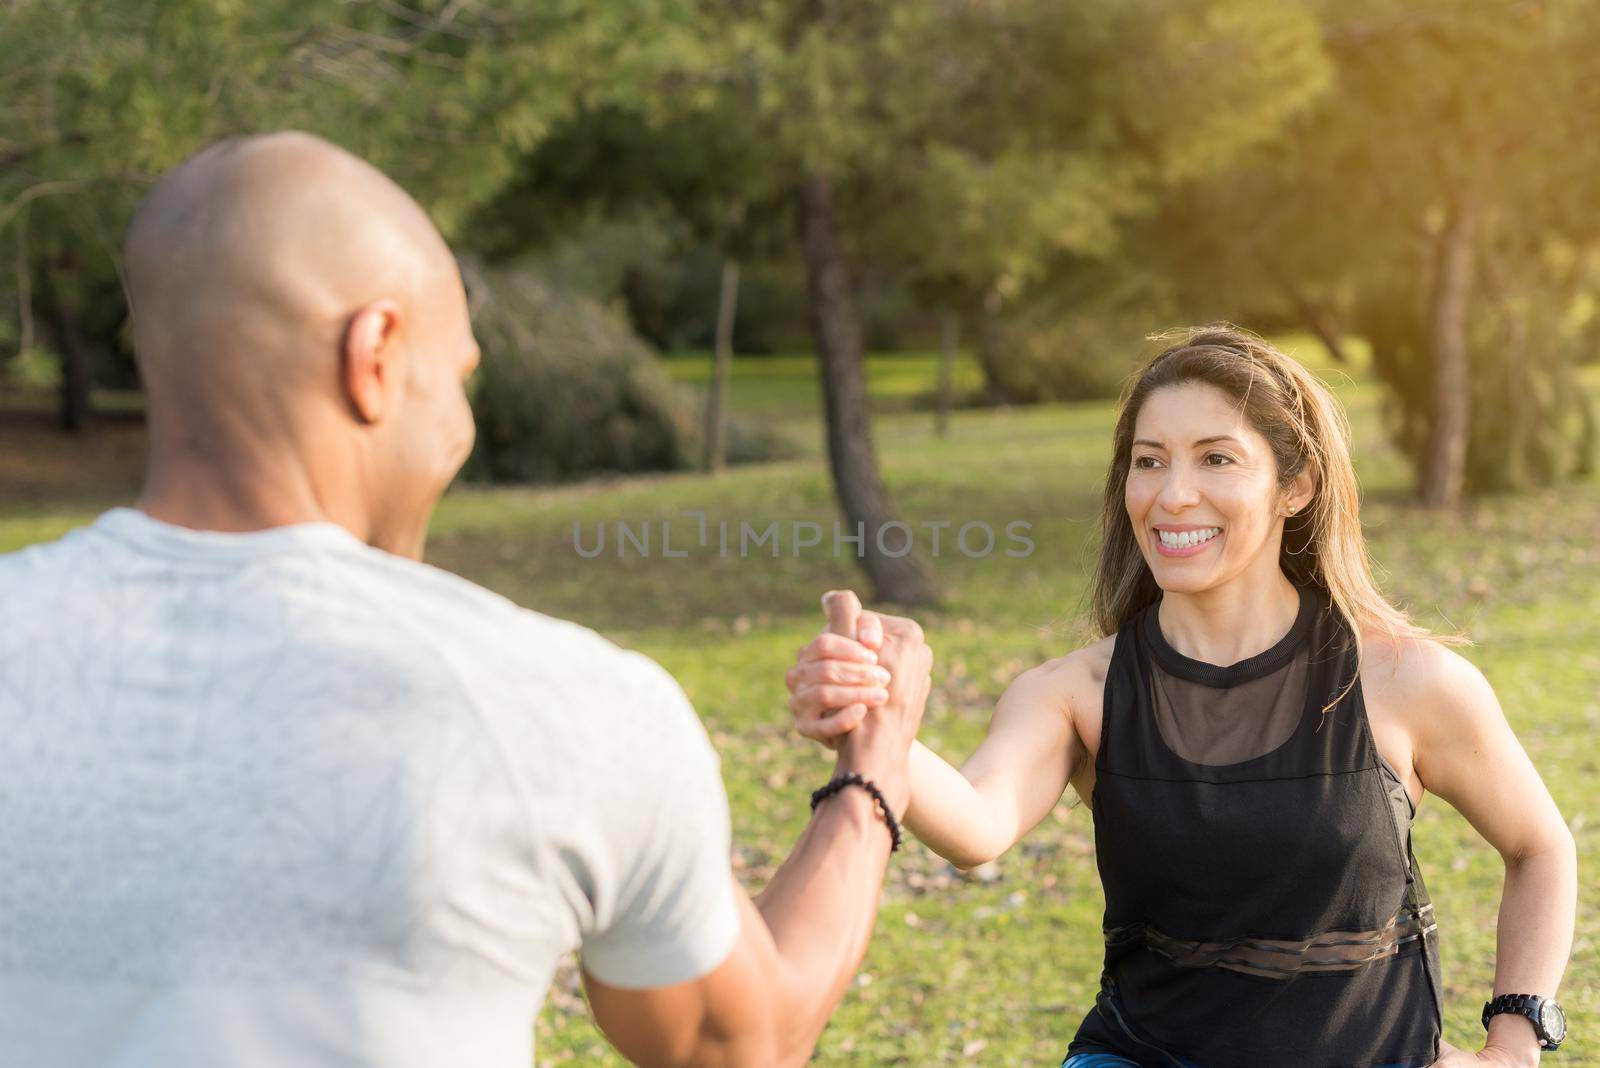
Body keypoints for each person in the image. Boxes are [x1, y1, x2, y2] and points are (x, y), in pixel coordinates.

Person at [0, 131, 934, 1068]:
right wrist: (873, 772)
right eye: (457, 377)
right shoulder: (563, 699)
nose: (461, 422)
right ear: (374, 355)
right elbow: (743, 1042)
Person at [787, 328, 1578, 1067]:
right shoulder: (1075, 693)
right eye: (1150, 460)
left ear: (1294, 486)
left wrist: (1513, 1042)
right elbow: (975, 825)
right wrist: (878, 723)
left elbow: (1540, 847)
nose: (1171, 496)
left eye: (1217, 460)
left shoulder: (1406, 681)